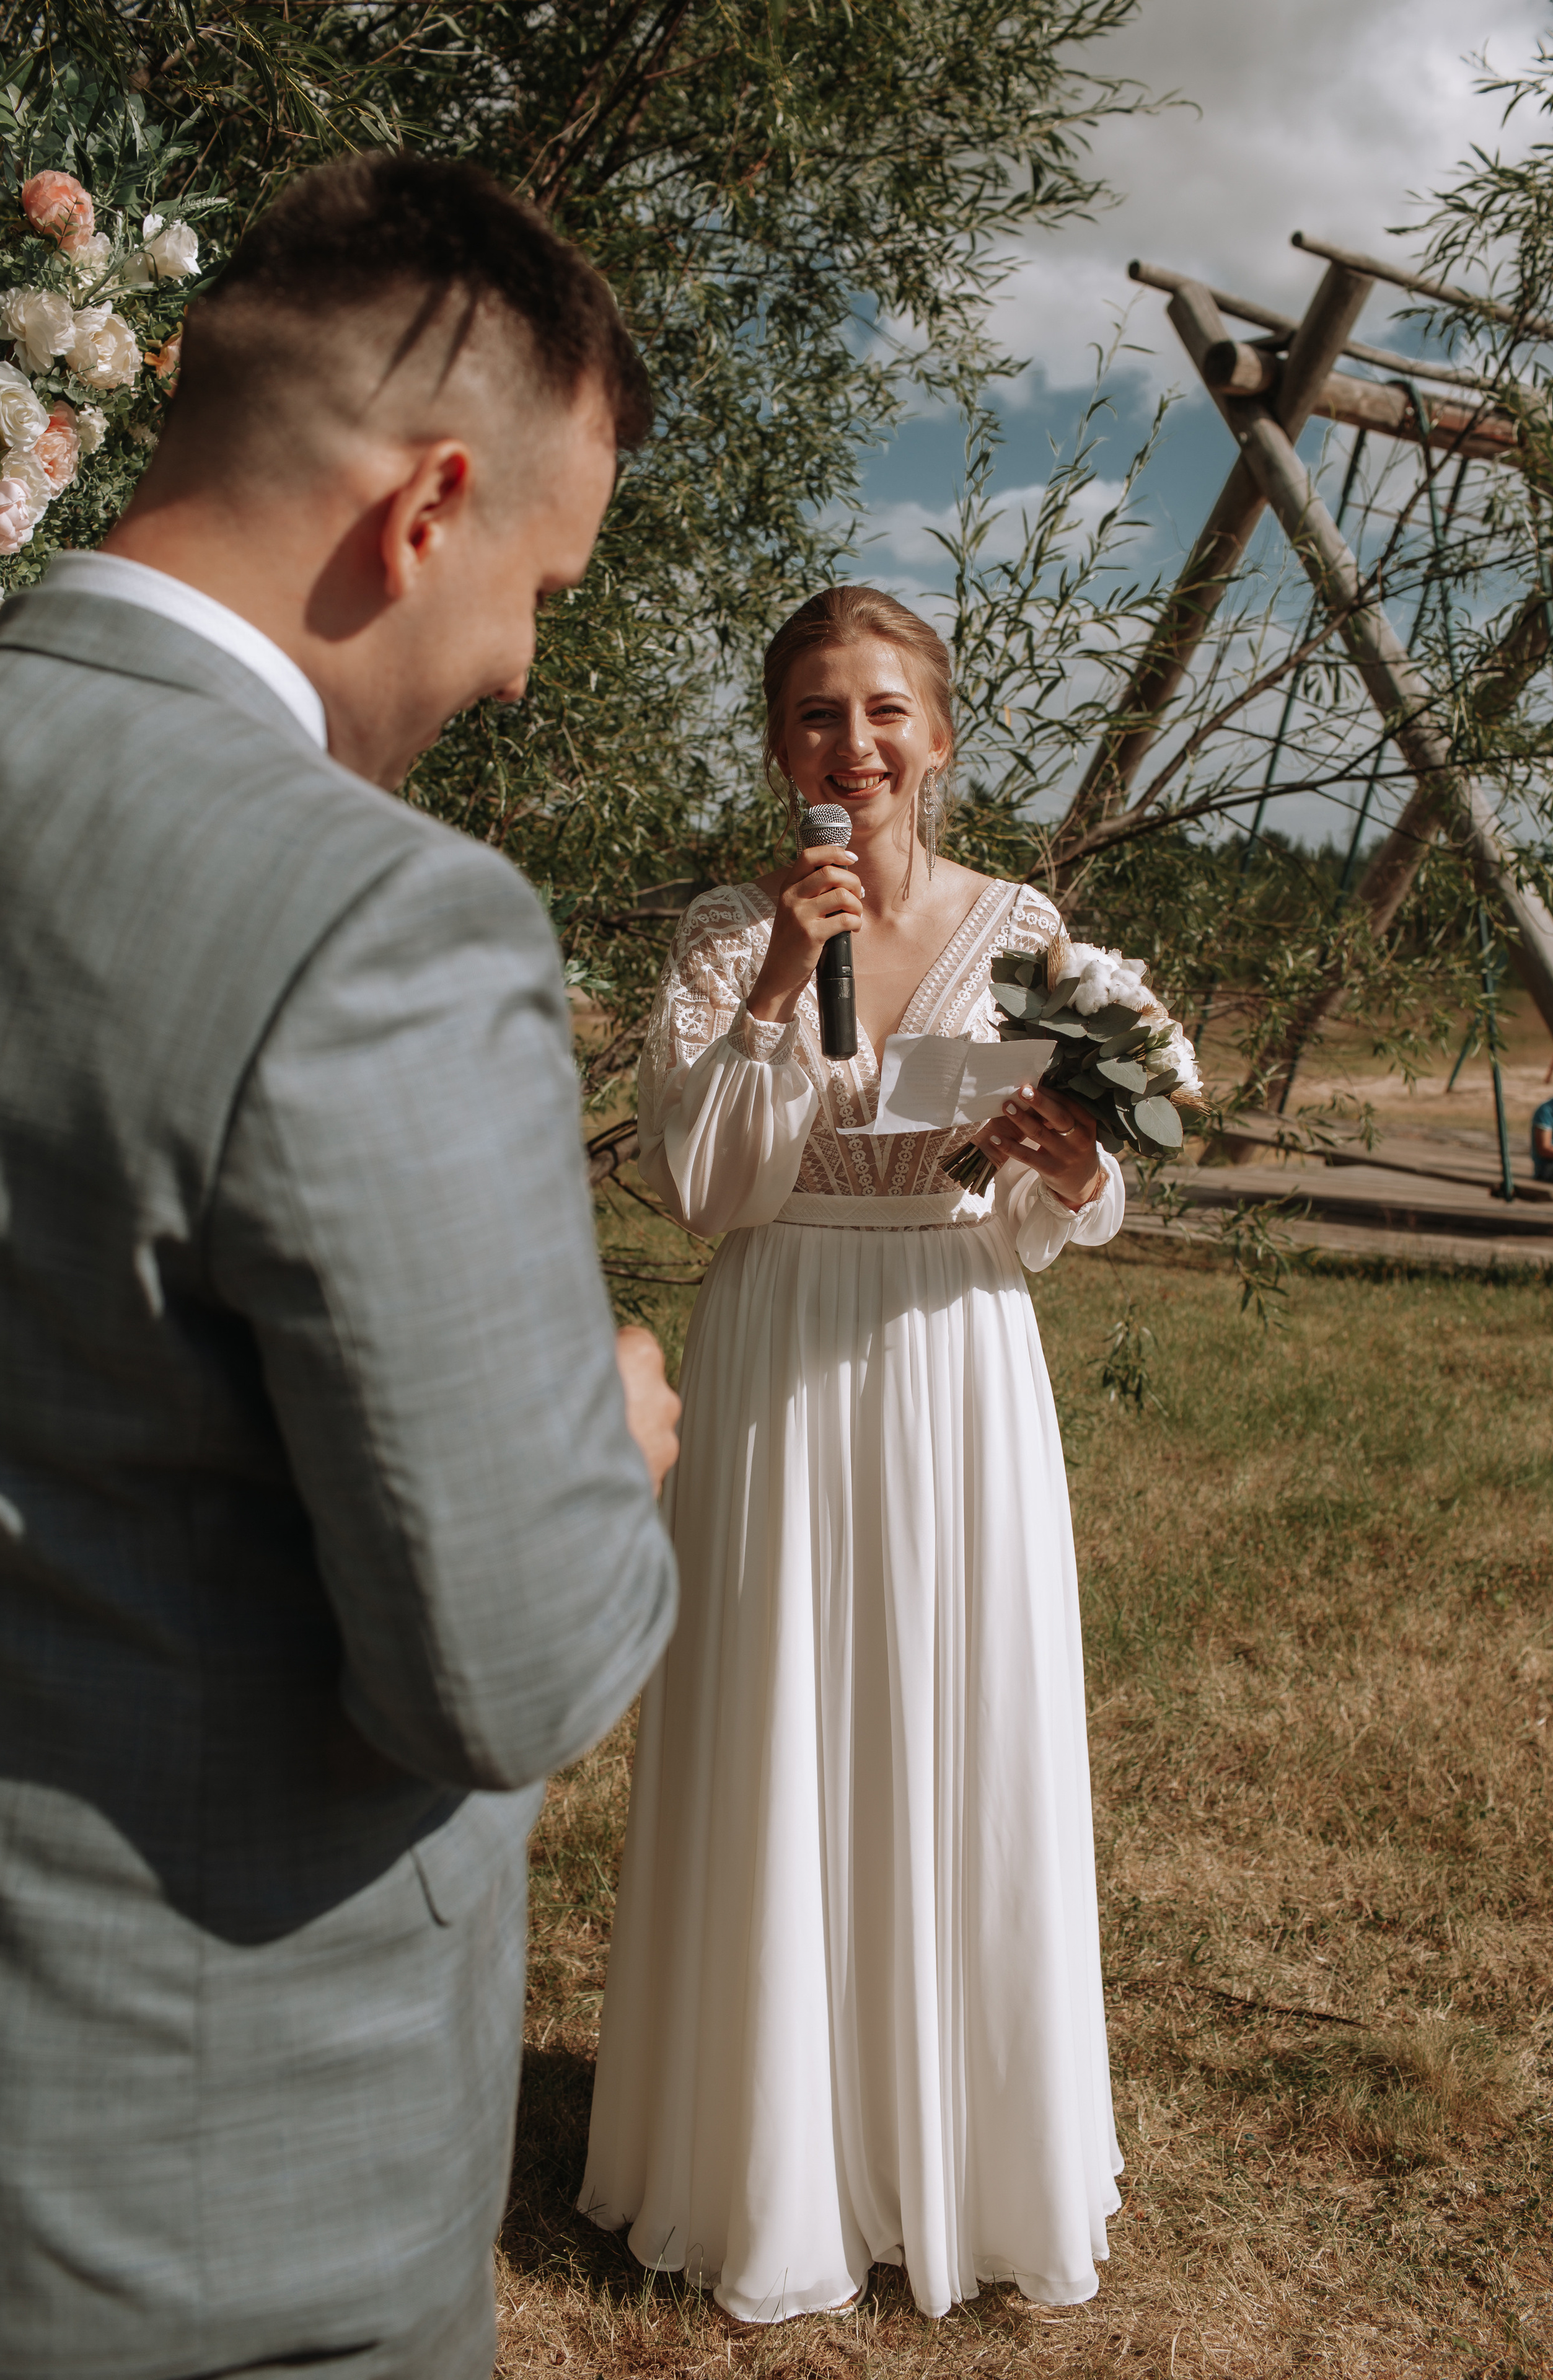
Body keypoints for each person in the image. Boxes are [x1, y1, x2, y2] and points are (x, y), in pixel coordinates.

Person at [0, 155, 680, 2379]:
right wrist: (607, 1434)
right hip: (183, 2217)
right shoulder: (376, 922)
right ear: (425, 511)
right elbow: (503, 1662)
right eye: (544, 586)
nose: (518, 662)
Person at [580, 584, 1132, 2322]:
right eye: (819, 715)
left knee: (962, 1726)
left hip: (956, 1359)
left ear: (941, 735)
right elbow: (705, 1191)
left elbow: (1093, 1194)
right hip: (777, 1351)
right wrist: (774, 982)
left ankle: (961, 2154)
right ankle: (769, 2158)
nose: (856, 745)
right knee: (775, 1722)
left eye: (886, 710)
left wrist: (1071, 1164)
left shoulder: (1028, 926)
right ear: (778, 748)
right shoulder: (724, 935)